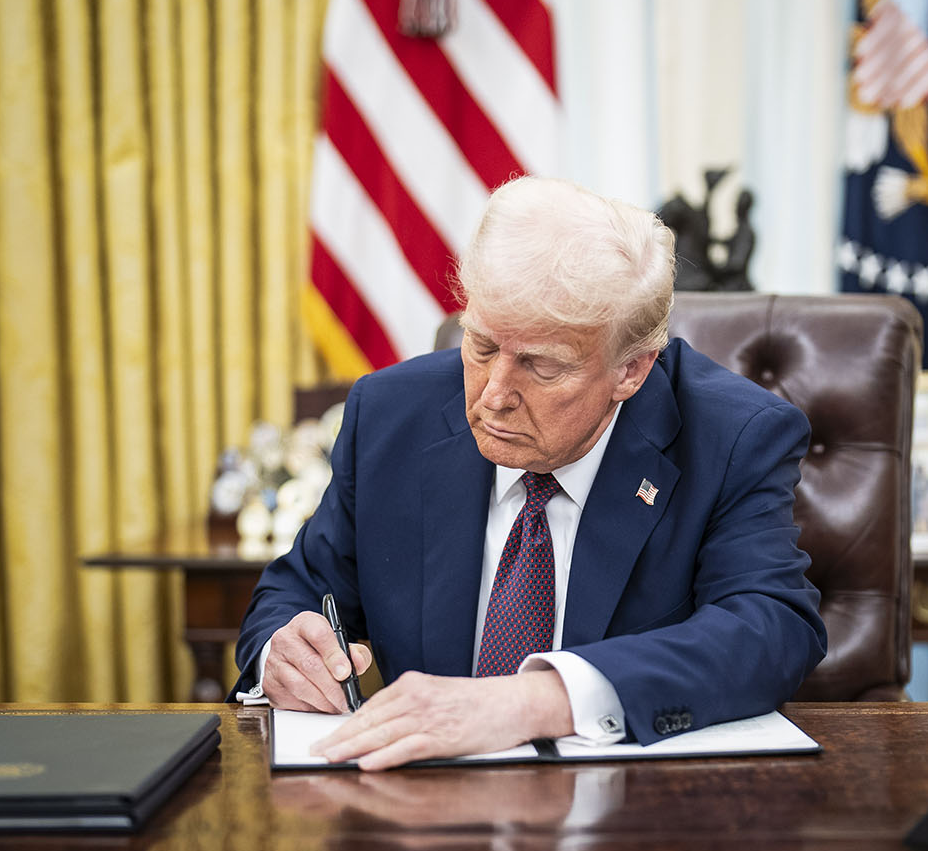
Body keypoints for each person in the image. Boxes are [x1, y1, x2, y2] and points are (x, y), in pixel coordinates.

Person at [231, 177, 827, 769]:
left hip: (634, 824)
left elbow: (770, 627)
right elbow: (297, 589)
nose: (493, 396)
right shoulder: (391, 415)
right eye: (482, 346)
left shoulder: (732, 437)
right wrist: (282, 650)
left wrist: (537, 700)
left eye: (540, 366)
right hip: (424, 815)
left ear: (632, 371)